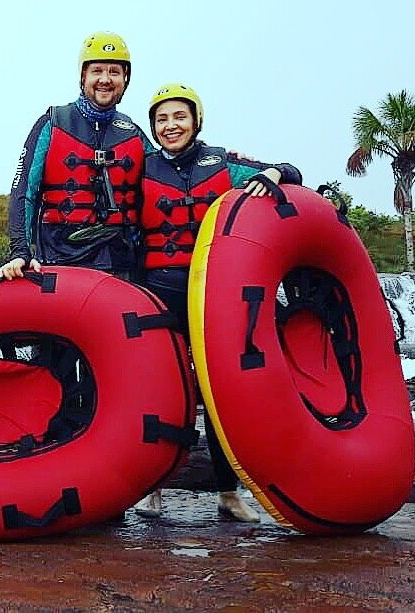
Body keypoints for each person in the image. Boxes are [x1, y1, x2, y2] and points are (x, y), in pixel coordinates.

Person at [134, 83, 303, 522]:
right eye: (162, 119)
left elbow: (291, 171)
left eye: (179, 117)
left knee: (218, 392)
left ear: (196, 120)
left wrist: (274, 173)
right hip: (161, 290)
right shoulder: (141, 168)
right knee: (164, 390)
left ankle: (228, 491)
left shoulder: (222, 164)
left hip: (213, 290)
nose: (170, 126)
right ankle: (153, 487)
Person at [0, 32, 154, 281]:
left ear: (125, 78)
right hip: (60, 260)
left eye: (114, 72)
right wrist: (21, 252)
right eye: (97, 71)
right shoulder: (52, 123)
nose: (105, 79)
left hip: (120, 265)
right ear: (83, 76)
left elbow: (169, 173)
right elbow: (24, 191)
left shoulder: (133, 134)